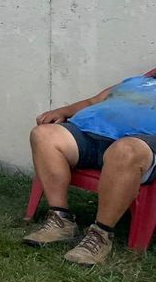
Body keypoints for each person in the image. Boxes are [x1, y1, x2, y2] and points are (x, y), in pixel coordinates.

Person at [25, 68, 156, 265]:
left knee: (125, 151)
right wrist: (62, 112)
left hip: (139, 142)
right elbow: (92, 102)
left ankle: (101, 234)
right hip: (89, 135)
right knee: (43, 135)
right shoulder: (134, 82)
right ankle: (61, 220)